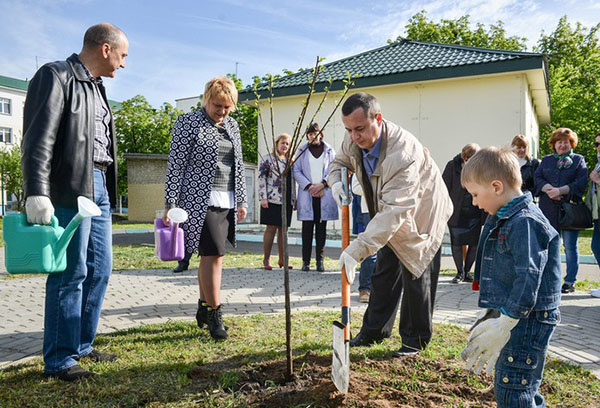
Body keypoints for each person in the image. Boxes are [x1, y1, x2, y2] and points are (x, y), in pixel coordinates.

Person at [21, 23, 128, 381]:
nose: (123, 64)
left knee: (100, 269)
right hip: (69, 187)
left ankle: (81, 344)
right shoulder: (56, 76)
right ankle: (59, 359)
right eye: (123, 55)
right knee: (71, 272)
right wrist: (36, 190)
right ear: (105, 49)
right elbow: (38, 137)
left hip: (98, 185)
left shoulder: (96, 87)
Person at [329, 92, 453, 356]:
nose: (354, 136)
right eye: (349, 129)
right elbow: (339, 161)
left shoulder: (403, 154)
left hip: (422, 212)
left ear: (379, 119)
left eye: (360, 129)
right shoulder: (353, 138)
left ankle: (414, 340)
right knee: (385, 271)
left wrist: (356, 250)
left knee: (416, 270)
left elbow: (396, 212)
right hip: (389, 211)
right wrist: (336, 183)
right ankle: (374, 331)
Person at [460, 147, 561, 408]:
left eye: (475, 194)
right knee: (520, 384)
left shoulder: (524, 222)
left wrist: (506, 322)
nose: (474, 202)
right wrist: (494, 313)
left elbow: (529, 276)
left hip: (527, 319)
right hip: (518, 315)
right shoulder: (505, 216)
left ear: (496, 187)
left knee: (514, 387)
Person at [164, 76, 247, 340]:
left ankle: (203, 307)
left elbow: (239, 164)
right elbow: (175, 164)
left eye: (227, 107)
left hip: (226, 199)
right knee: (214, 255)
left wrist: (242, 200)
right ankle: (215, 313)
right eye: (218, 106)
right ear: (206, 99)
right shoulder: (188, 123)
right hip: (197, 199)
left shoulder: (232, 126)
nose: (222, 112)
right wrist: (171, 202)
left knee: (211, 256)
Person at [534, 128, 588, 294]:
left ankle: (570, 281)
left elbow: (581, 182)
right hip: (548, 209)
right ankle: (551, 279)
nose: (563, 145)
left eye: (566, 142)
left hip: (569, 209)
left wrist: (561, 191)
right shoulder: (547, 160)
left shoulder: (578, 160)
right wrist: (549, 188)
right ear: (554, 144)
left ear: (571, 143)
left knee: (570, 246)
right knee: (550, 245)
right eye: (560, 142)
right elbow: (537, 177)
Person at [292, 123, 338, 272]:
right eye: (310, 134)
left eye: (316, 133)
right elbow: (296, 170)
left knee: (321, 229)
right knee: (306, 229)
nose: (313, 136)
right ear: (307, 136)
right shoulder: (301, 151)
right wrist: (310, 186)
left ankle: (320, 261)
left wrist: (323, 184)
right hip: (308, 193)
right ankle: (305, 262)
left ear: (321, 134)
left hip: (324, 192)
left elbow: (333, 169)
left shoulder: (330, 151)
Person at [442, 144, 485, 284]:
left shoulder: (480, 168)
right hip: (456, 211)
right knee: (456, 242)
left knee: (474, 243)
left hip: (475, 210)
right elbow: (444, 188)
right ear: (464, 157)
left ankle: (467, 272)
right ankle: (459, 273)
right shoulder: (451, 166)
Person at [258, 133, 295, 270]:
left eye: (287, 144)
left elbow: (292, 181)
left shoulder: (290, 161)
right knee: (271, 228)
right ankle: (266, 259)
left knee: (283, 230)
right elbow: (261, 178)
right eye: (282, 143)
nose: (285, 146)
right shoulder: (268, 159)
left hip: (286, 200)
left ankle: (283, 260)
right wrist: (263, 198)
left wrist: (294, 199)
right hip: (271, 198)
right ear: (276, 144)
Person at [351, 175, 376, 303]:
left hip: (389, 208)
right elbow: (355, 187)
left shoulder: (391, 158)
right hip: (369, 209)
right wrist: (375, 188)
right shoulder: (363, 159)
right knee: (370, 250)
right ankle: (365, 289)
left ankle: (381, 289)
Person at [585, 132, 600, 299]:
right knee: (596, 247)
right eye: (596, 144)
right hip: (597, 214)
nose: (598, 147)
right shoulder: (598, 164)